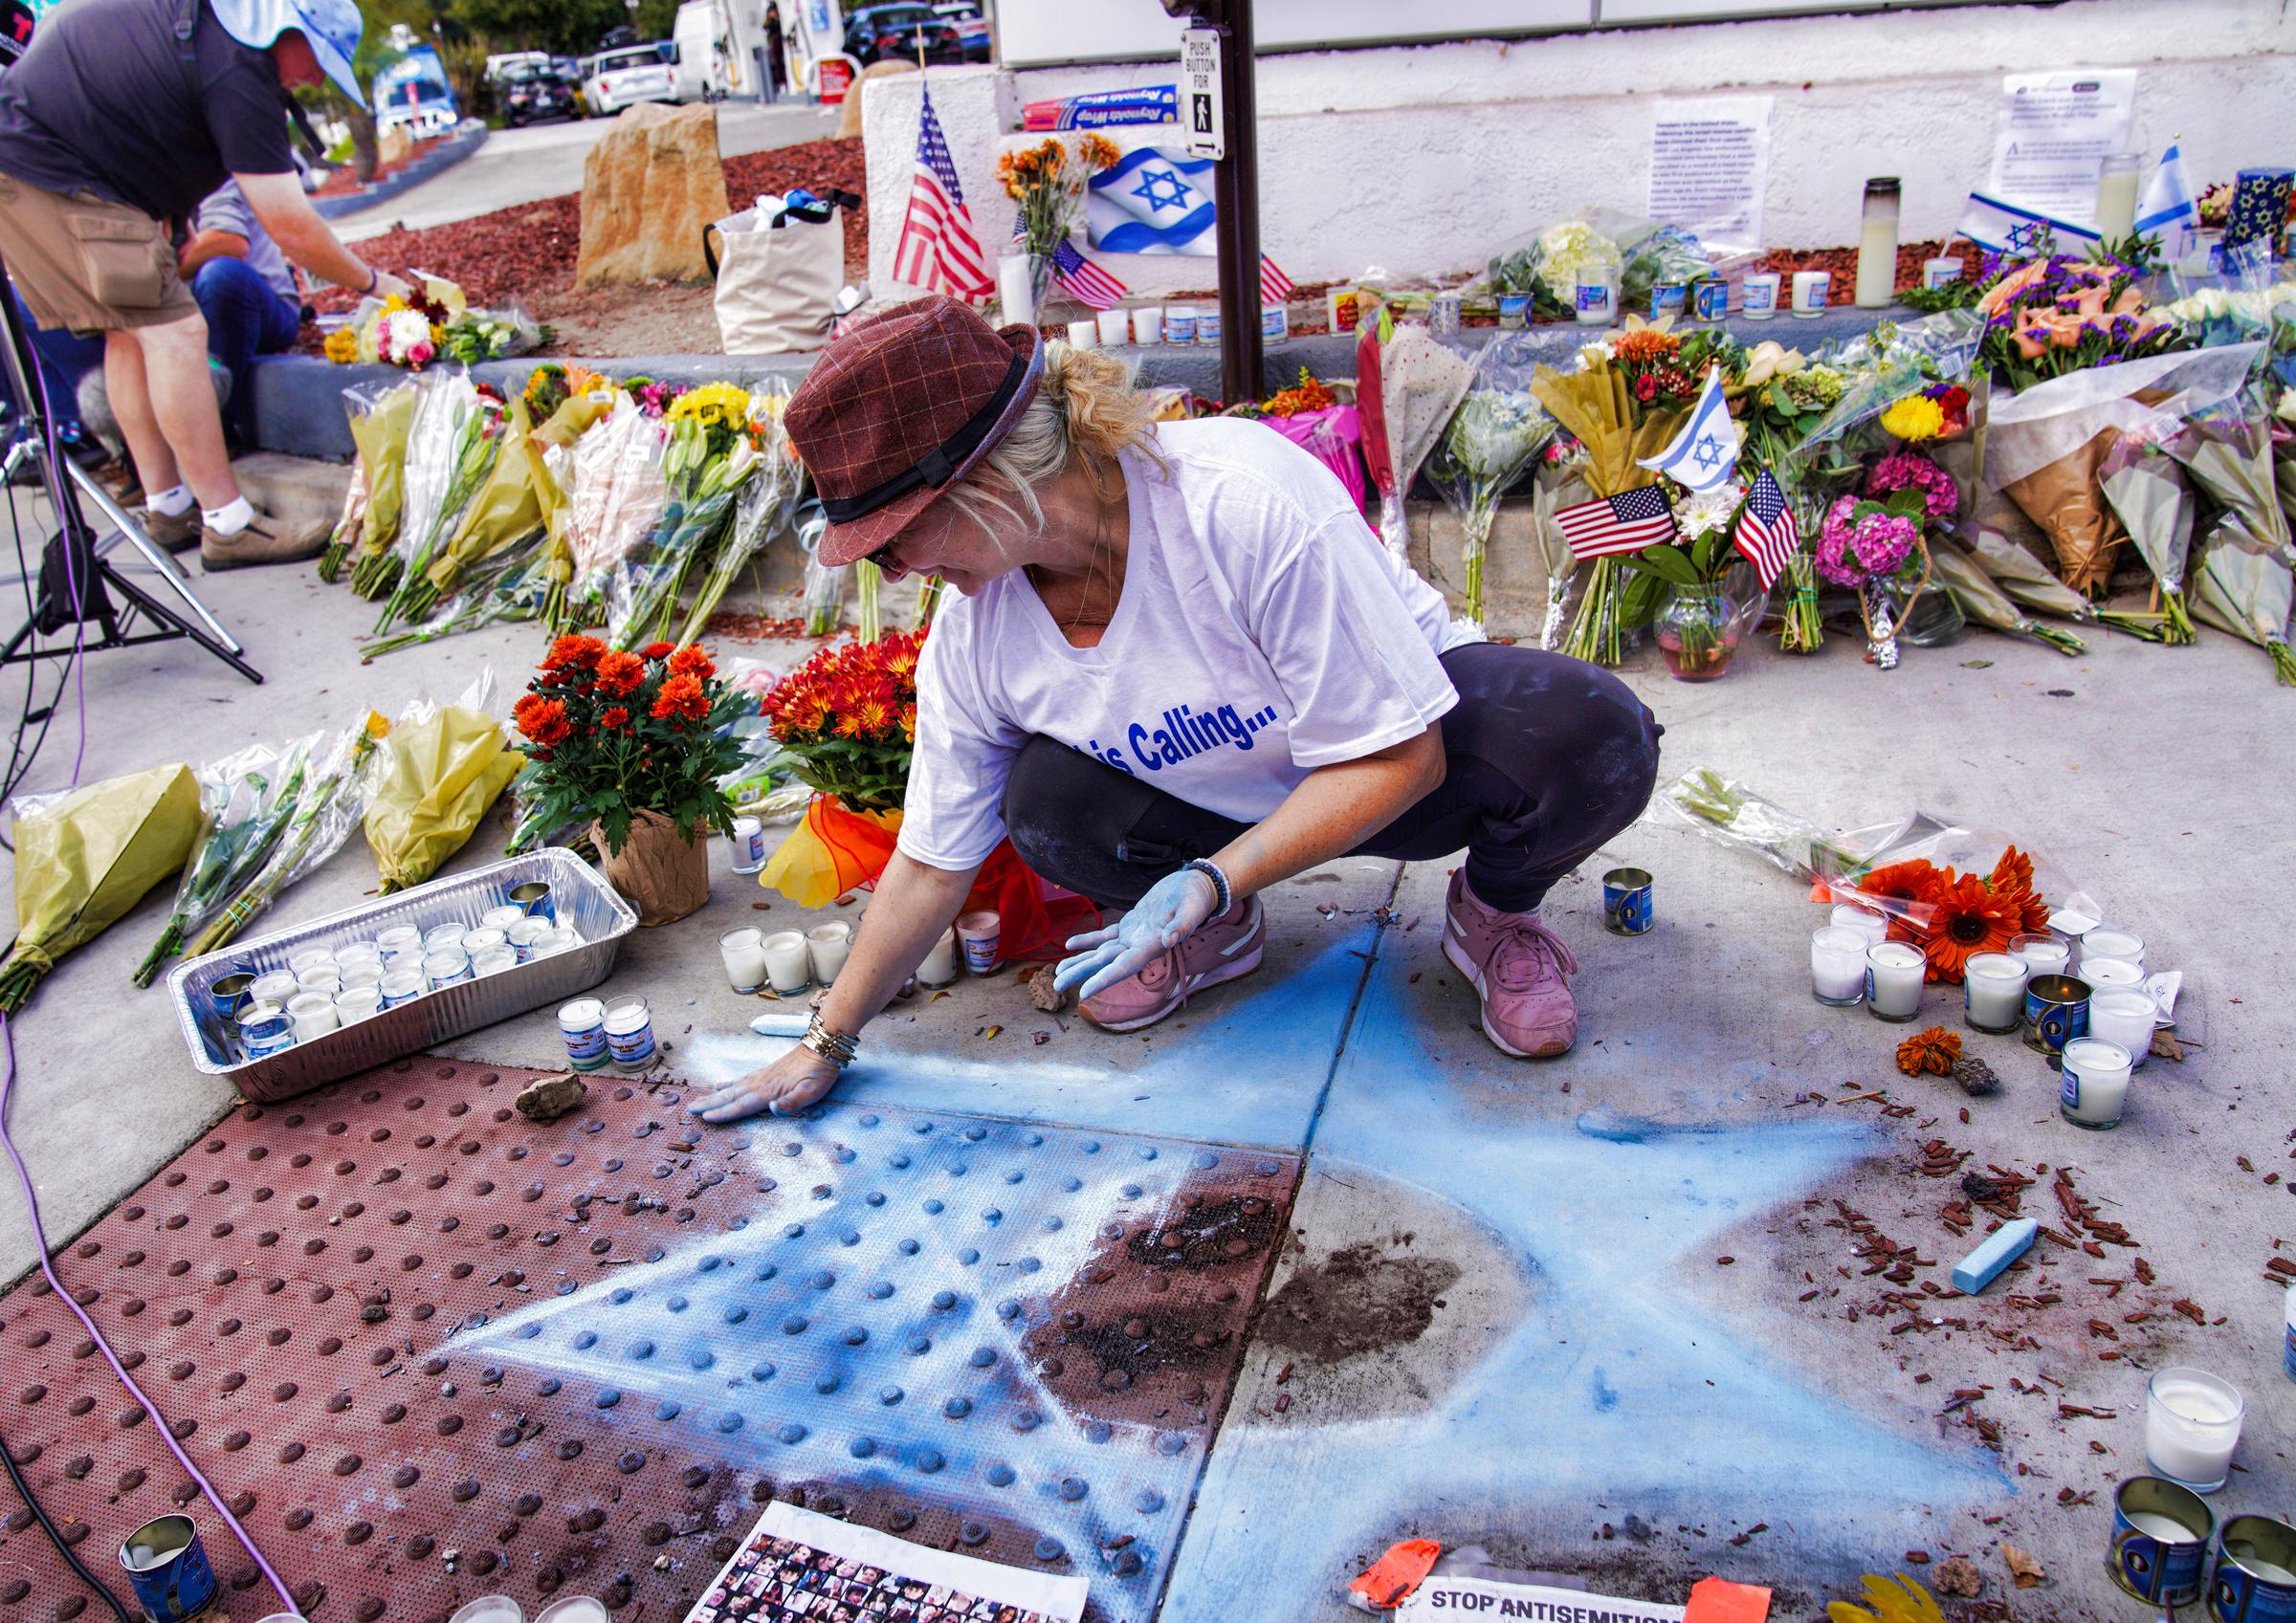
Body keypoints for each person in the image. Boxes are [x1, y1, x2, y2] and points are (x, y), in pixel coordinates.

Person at [689, 296, 1662, 1125]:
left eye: (893, 538)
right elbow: (931, 859)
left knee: (1588, 733)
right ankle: (1218, 932)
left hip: (1402, 769)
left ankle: (1494, 915)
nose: (892, 571)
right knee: (1042, 803)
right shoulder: (976, 630)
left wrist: (1205, 877)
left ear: (990, 478)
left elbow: (1401, 760)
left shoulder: (1239, 503)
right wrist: (829, 1037)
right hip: (1214, 806)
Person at [0, 0, 410, 571]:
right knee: (176, 331)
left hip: (35, 162)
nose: (316, 78)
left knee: (129, 333)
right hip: (47, 169)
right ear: (286, 31)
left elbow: (144, 111)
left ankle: (168, 508)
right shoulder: (239, 65)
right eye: (318, 58)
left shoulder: (217, 37)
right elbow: (287, 222)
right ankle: (228, 523)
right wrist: (375, 282)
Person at [182, 178, 303, 449]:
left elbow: (228, 241)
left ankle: (218, 423)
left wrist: (143, 272)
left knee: (221, 276)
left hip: (262, 307)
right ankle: (103, 442)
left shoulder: (201, 163)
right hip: (180, 319)